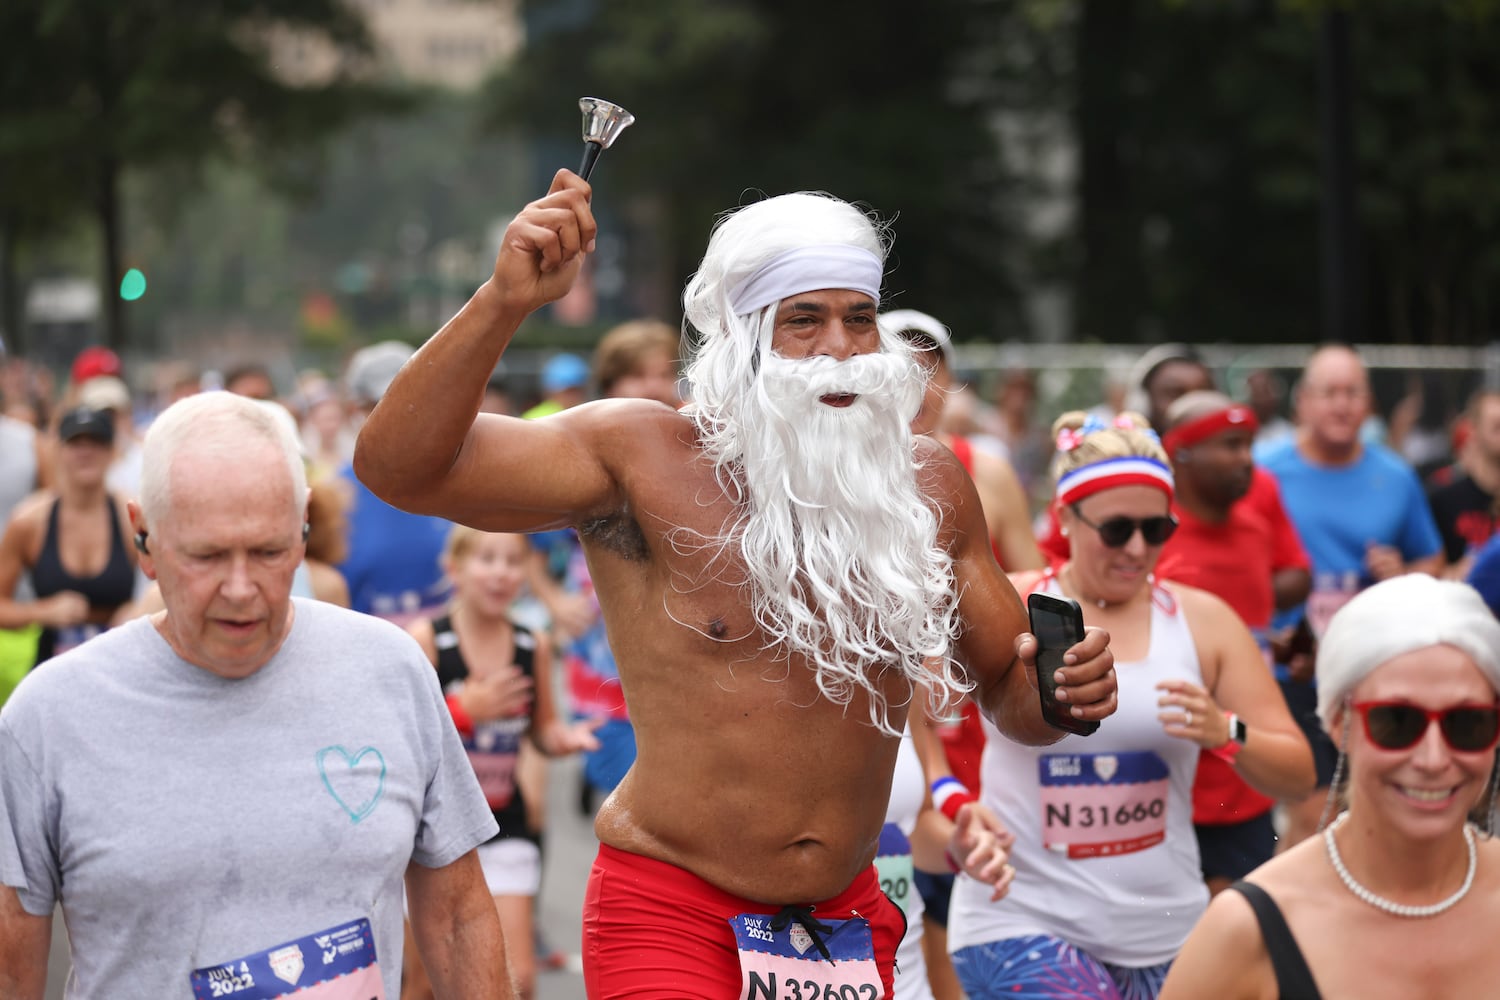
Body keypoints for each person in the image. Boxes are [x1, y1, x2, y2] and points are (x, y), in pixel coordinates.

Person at [353, 170, 1118, 999]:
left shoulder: (928, 481)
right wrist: (504, 303)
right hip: (671, 909)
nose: (840, 347)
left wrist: (1065, 693)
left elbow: (1012, 692)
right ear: (744, 334)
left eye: (860, 319)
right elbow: (399, 469)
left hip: (846, 920)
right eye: (804, 320)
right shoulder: (639, 456)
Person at [0, 391, 515, 998]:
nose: (241, 588)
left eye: (270, 552)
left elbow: (458, 917)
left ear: (303, 529)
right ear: (144, 536)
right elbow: (11, 963)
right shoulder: (49, 716)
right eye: (208, 556)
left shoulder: (390, 669)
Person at [947, 411, 1314, 999]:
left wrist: (1226, 730)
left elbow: (1298, 775)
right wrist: (954, 808)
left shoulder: (1203, 621)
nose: (1138, 549)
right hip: (1018, 920)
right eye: (1117, 530)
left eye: (1157, 528)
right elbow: (914, 721)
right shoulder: (1014, 602)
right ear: (1065, 516)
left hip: (1168, 929)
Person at [1161, 574, 1500, 999]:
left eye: (1467, 723)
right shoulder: (1249, 930)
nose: (1434, 759)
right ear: (1341, 722)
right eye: (1396, 722)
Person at [401, 526, 600, 1000]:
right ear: (455, 570)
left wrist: (562, 738)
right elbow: (404, 737)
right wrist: (465, 711)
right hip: (433, 833)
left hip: (500, 825)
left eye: (512, 561)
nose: (500, 573)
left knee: (518, 981)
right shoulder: (426, 642)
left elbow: (542, 731)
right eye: (486, 559)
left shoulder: (533, 645)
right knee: (425, 983)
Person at [1259, 343, 1444, 847]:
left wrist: (1402, 572)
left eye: (1352, 393)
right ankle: (1296, 921)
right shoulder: (1263, 470)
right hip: (1292, 667)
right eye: (1329, 393)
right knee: (1310, 814)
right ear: (1303, 403)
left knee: (1374, 807)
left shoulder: (1395, 475)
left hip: (1373, 666)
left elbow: (1432, 562)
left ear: (1368, 405)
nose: (1341, 405)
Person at [1156, 391, 1312, 894]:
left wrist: (1264, 644)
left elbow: (1295, 577)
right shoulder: (1141, 535)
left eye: (1248, 444)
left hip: (1245, 774)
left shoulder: (1255, 520)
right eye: (1230, 445)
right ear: (1181, 452)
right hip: (1165, 781)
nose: (1247, 458)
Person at [0, 405, 137, 669]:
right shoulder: (29, 521)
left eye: (96, 442)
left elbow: (167, 588)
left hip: (121, 667)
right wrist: (42, 611)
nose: (86, 452)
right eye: (75, 443)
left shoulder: (130, 516)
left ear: (112, 452)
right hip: (52, 668)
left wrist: (138, 609)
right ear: (58, 452)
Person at [337, 340, 454, 624]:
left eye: (413, 404)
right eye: (384, 405)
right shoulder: (336, 497)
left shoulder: (461, 482)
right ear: (355, 410)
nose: (401, 418)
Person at [1427, 388, 1500, 576]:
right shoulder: (1443, 500)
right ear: (1473, 430)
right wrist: (1454, 573)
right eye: (1497, 426)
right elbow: (1424, 568)